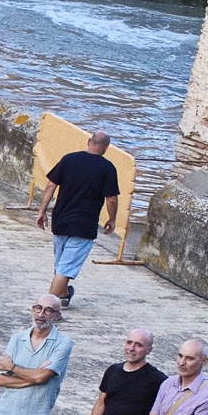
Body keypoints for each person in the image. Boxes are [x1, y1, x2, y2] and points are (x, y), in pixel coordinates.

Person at [36, 130, 121, 304]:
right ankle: (47, 308)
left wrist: (42, 211)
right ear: (106, 148)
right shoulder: (107, 168)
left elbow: (51, 185)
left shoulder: (69, 159)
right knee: (65, 269)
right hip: (84, 225)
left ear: (89, 141)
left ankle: (64, 295)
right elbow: (111, 199)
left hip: (60, 220)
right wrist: (112, 220)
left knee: (61, 265)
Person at [73, 327, 166, 415]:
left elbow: (177, 401)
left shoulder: (156, 379)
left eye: (138, 345)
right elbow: (100, 405)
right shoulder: (113, 370)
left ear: (149, 350)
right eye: (129, 343)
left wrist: (154, 414)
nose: (131, 348)